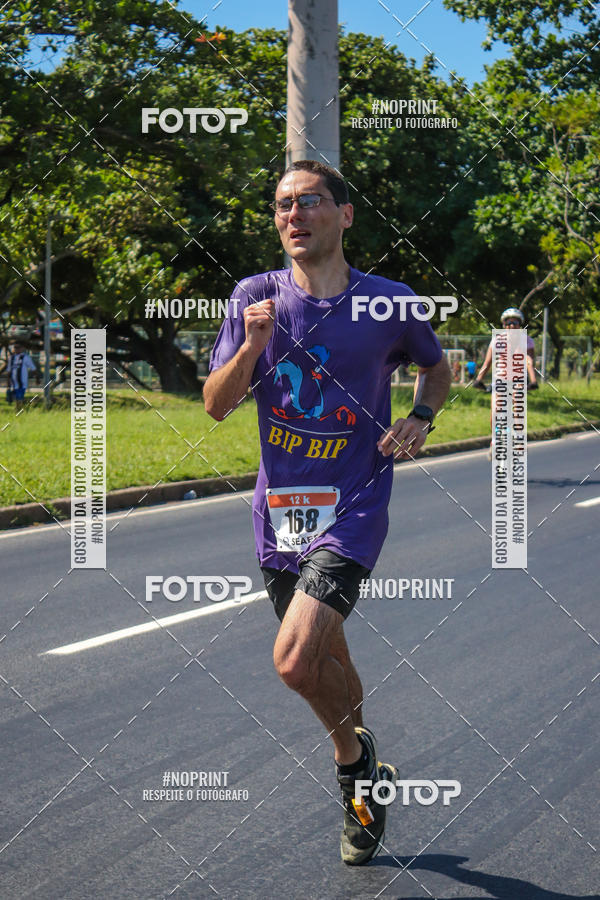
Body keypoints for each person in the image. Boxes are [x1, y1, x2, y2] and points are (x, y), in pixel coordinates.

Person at [204, 159, 451, 865]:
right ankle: (365, 772)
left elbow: (437, 367)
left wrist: (421, 417)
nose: (294, 216)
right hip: (278, 515)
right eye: (283, 205)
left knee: (292, 661)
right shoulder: (255, 295)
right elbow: (217, 405)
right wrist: (253, 344)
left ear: (344, 216)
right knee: (324, 660)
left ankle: (350, 769)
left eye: (310, 202)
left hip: (357, 503)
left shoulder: (392, 302)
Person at [473, 307, 538, 390]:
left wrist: (533, 381)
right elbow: (488, 362)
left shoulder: (527, 340)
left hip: (519, 378)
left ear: (519, 324)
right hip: (501, 377)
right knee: (498, 400)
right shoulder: (497, 340)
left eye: (515, 322)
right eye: (508, 323)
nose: (511, 325)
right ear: (504, 325)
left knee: (517, 396)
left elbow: (530, 362)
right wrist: (479, 379)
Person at [6, 342, 37, 411]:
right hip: (13, 383)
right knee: (14, 399)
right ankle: (19, 410)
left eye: (18, 347)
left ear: (22, 348)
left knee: (19, 398)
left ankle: (18, 411)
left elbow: (33, 368)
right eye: (15, 347)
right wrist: (8, 383)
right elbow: (9, 371)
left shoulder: (25, 357)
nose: (16, 349)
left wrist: (37, 378)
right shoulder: (11, 358)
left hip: (22, 382)